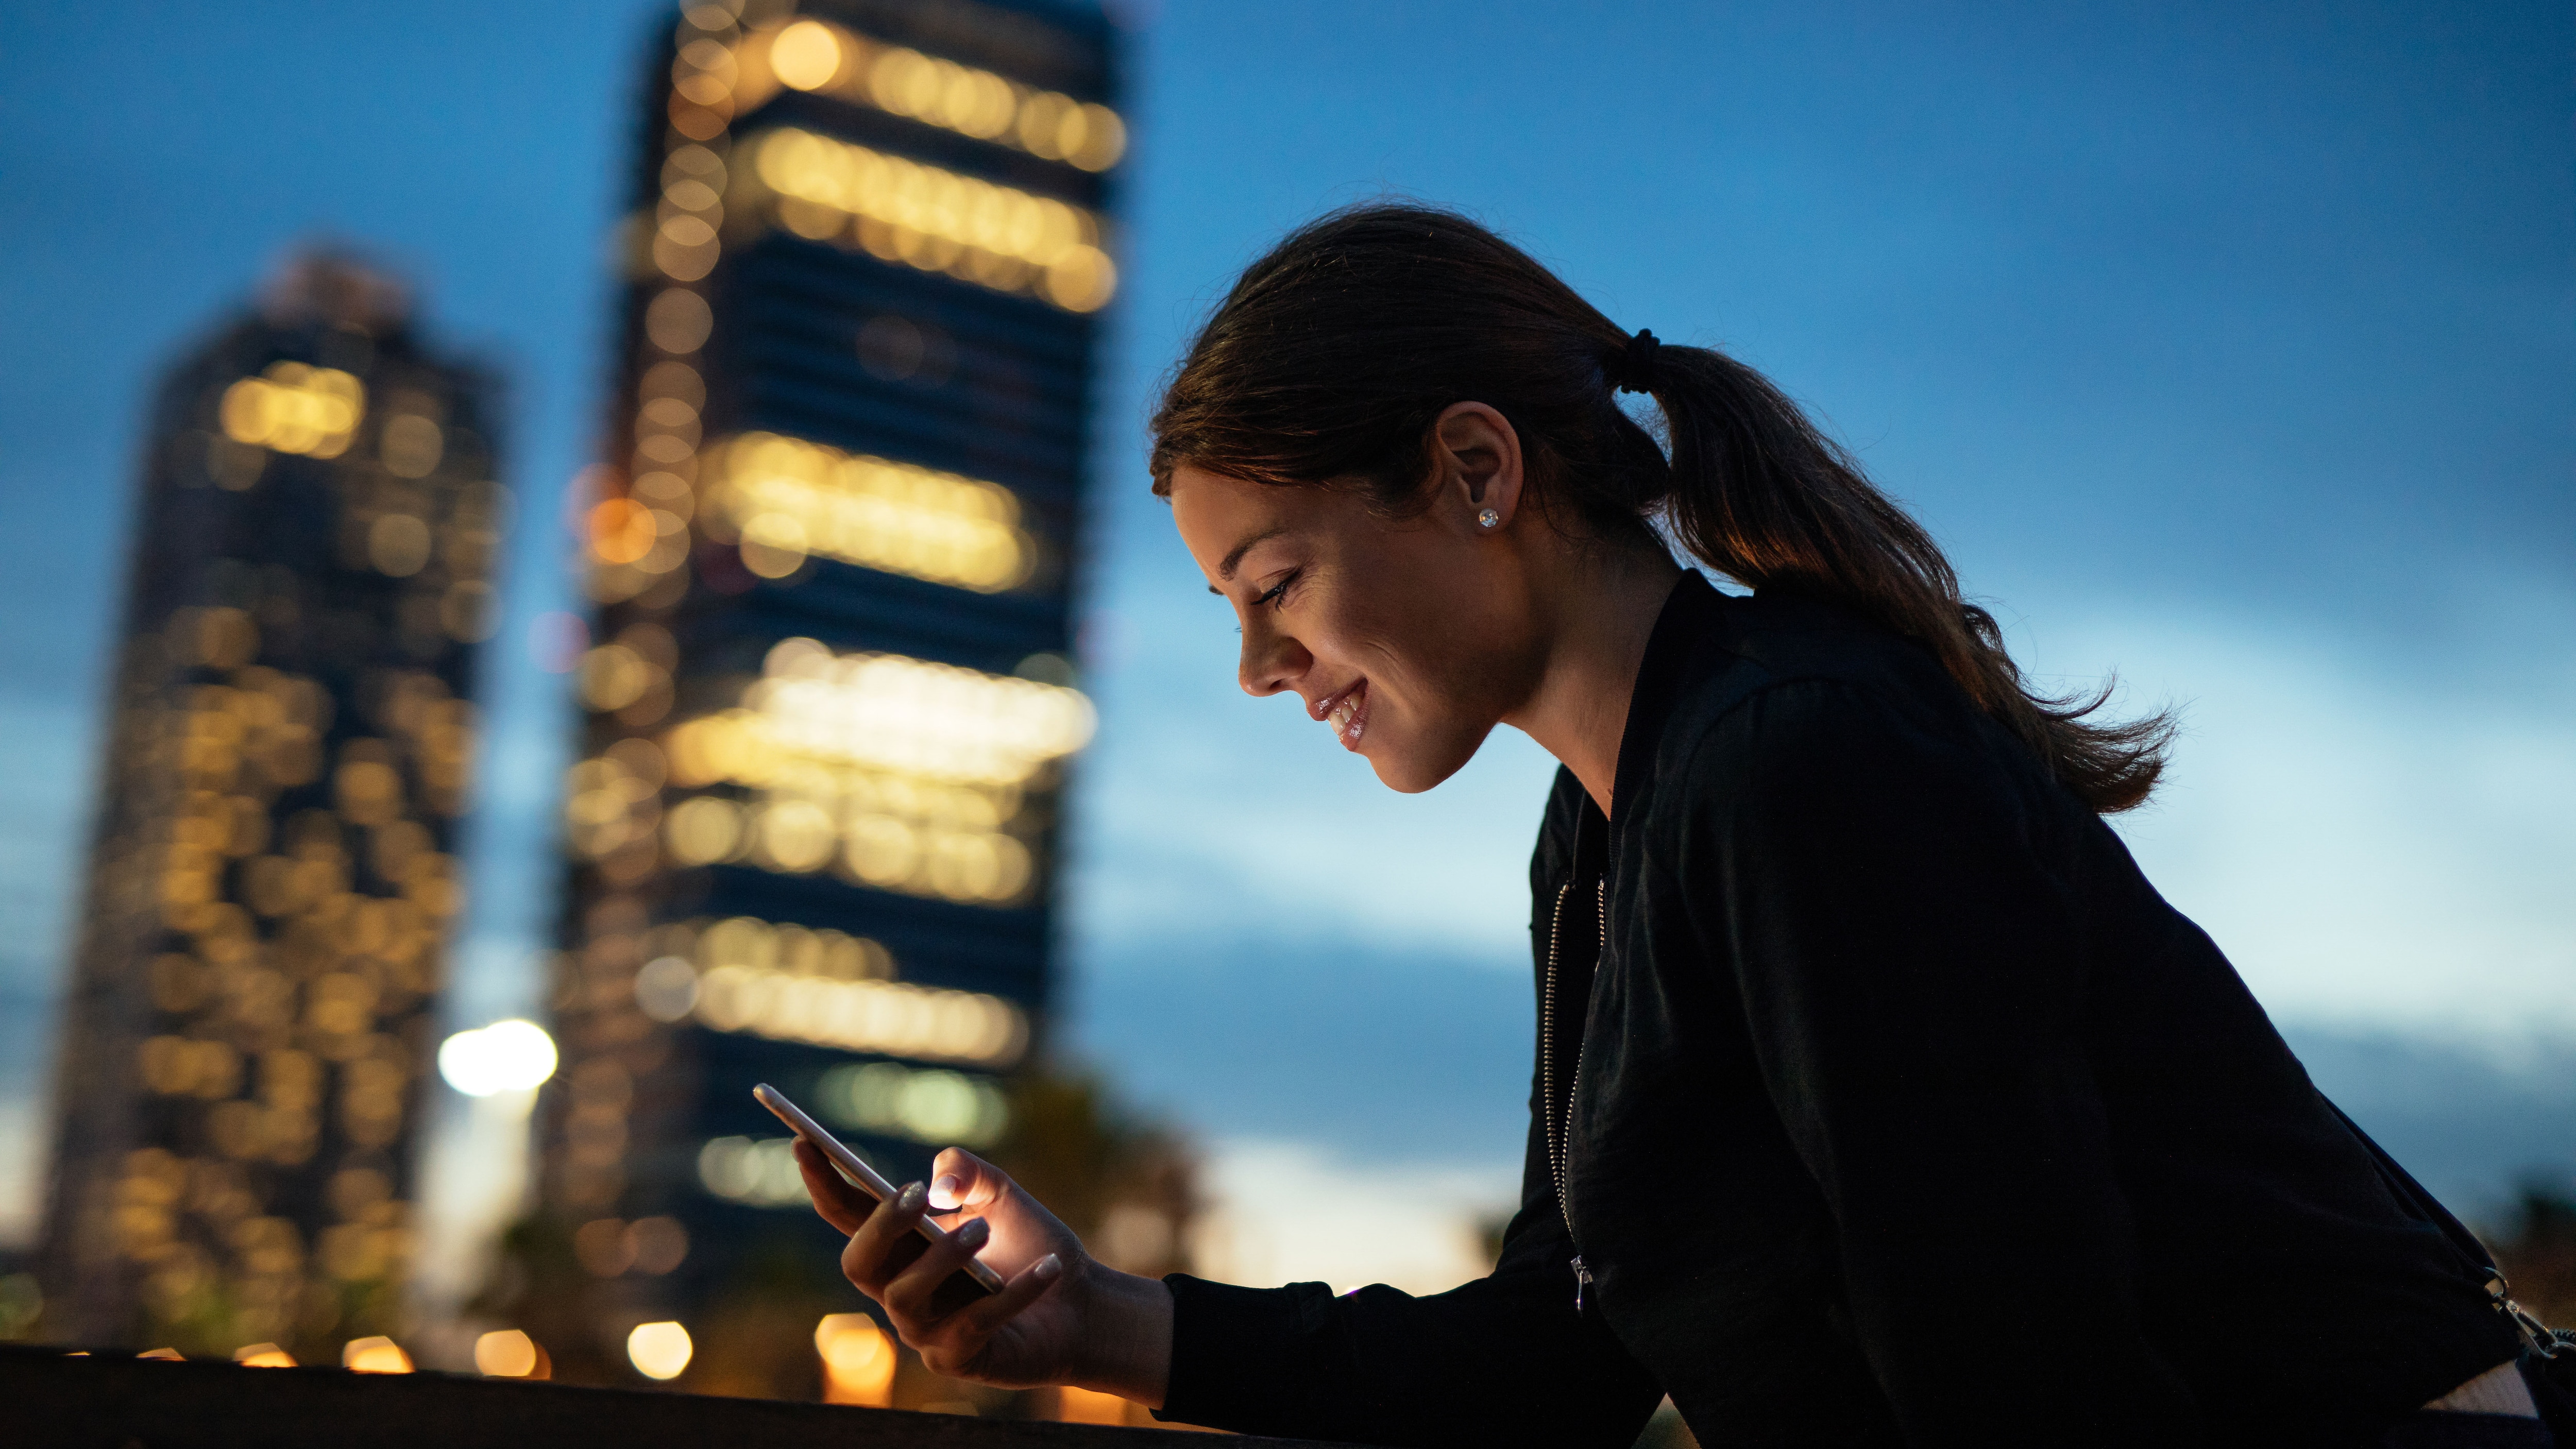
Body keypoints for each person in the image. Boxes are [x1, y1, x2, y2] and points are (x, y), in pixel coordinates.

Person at [792, 204, 2556, 1447]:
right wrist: (1090, 1321)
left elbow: (2020, 1365)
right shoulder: (1609, 834)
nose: (1262, 667)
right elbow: (1557, 1368)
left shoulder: (1801, 757)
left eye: (1278, 584)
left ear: (1478, 473)